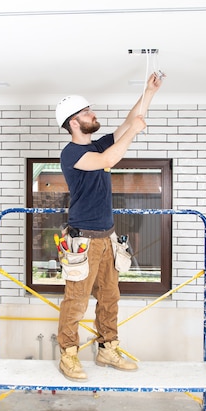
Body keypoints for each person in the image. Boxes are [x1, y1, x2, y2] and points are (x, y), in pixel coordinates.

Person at [54, 72, 165, 381]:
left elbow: (131, 120)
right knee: (76, 301)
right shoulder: (72, 154)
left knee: (110, 298)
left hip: (107, 237)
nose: (93, 114)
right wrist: (134, 134)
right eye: (87, 112)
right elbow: (109, 160)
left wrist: (149, 91)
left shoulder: (98, 144)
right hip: (84, 241)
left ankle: (107, 348)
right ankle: (68, 355)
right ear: (74, 123)